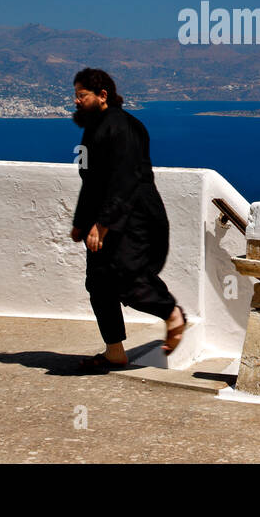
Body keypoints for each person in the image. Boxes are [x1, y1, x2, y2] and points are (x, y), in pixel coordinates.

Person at [70, 68, 186, 371]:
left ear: (102, 95)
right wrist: (81, 222)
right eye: (76, 95)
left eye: (82, 95)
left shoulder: (125, 127)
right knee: (98, 283)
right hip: (104, 215)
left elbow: (126, 179)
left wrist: (104, 224)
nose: (76, 101)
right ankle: (114, 352)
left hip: (134, 218)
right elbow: (89, 180)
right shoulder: (91, 131)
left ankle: (172, 313)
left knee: (126, 278)